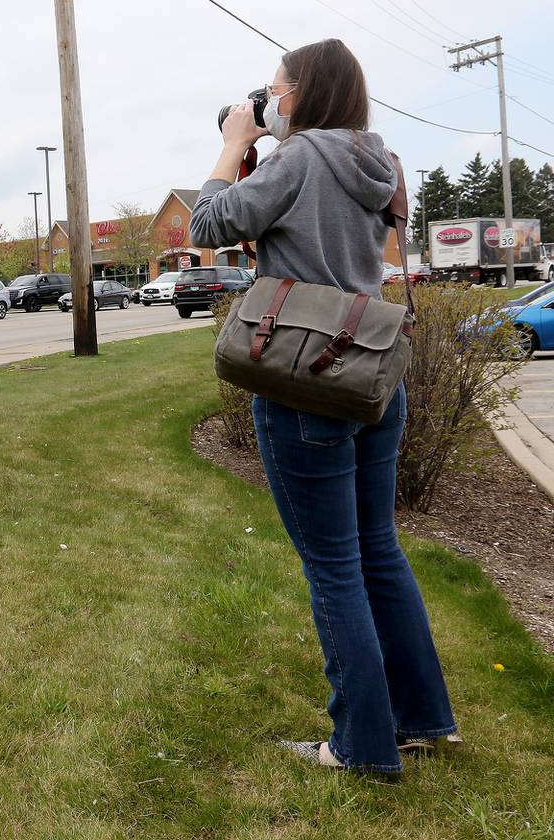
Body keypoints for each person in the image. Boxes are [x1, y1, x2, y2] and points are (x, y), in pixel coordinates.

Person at [190, 38, 457, 773]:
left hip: (308, 377)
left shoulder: (302, 159)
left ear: (301, 94)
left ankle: (361, 746)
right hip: (374, 373)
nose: (266, 99)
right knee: (377, 549)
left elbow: (207, 228)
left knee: (335, 564)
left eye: (274, 87)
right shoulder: (380, 161)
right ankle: (423, 719)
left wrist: (231, 145)